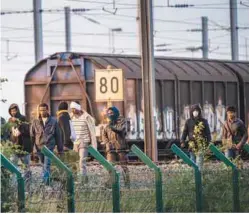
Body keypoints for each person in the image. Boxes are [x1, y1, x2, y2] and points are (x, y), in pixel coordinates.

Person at [30, 103, 63, 184]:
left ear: (47, 110)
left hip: (49, 146)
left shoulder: (54, 120)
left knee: (47, 164)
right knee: (42, 164)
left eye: (44, 110)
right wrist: (32, 149)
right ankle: (46, 180)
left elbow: (58, 136)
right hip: (39, 147)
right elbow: (32, 135)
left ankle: (46, 183)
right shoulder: (35, 121)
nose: (42, 112)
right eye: (40, 110)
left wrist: (60, 149)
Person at [102, 106, 130, 186]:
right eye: (109, 113)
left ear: (116, 113)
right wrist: (107, 143)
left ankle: (127, 183)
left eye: (112, 113)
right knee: (110, 166)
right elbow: (104, 135)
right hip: (111, 149)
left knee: (124, 167)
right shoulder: (108, 124)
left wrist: (112, 127)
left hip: (121, 148)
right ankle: (111, 182)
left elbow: (120, 130)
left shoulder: (122, 122)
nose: (110, 115)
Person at [70, 101, 97, 182]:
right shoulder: (71, 117)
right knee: (74, 162)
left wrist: (93, 145)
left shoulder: (86, 117)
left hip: (84, 141)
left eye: (74, 108)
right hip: (75, 143)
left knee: (82, 162)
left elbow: (92, 128)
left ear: (78, 108)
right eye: (72, 109)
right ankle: (77, 180)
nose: (73, 110)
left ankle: (83, 180)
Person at [181, 104, 211, 170]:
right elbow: (185, 132)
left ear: (199, 111)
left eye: (197, 110)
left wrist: (209, 143)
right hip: (192, 146)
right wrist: (182, 141)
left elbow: (208, 133)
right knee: (192, 164)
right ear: (191, 112)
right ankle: (194, 178)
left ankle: (199, 178)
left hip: (201, 146)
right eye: (194, 110)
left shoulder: (204, 121)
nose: (195, 112)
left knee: (199, 164)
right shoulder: (188, 121)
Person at [8, 104, 32, 179]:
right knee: (12, 166)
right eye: (11, 111)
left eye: (14, 111)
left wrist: (18, 123)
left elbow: (27, 131)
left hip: (24, 147)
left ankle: (27, 186)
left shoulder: (23, 118)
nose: (13, 112)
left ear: (17, 110)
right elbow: (9, 132)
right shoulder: (10, 120)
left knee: (26, 168)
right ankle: (13, 185)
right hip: (14, 147)